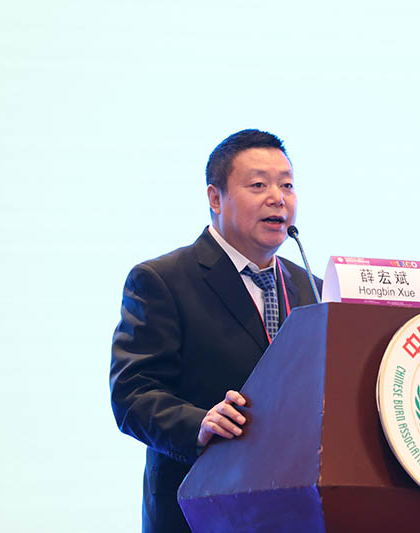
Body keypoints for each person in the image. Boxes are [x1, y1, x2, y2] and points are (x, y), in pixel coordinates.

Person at [110, 129, 321, 533]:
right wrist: (199, 424)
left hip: (293, 512)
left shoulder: (312, 288)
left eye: (287, 185)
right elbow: (132, 394)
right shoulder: (162, 279)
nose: (278, 198)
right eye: (258, 185)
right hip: (197, 513)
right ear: (215, 198)